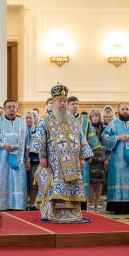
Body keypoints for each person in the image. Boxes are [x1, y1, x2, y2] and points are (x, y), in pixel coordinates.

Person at [31, 84, 93, 222]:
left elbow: (81, 138)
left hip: (74, 163)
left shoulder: (73, 120)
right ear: (53, 103)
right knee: (54, 187)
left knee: (73, 186)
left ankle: (72, 213)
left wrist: (82, 156)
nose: (63, 103)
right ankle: (53, 213)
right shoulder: (46, 120)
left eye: (65, 101)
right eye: (60, 101)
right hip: (54, 162)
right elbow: (40, 138)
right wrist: (42, 156)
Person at [0, 99, 30, 211]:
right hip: (2, 157)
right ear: (4, 109)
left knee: (18, 180)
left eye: (14, 107)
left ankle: (18, 205)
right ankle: (1, 205)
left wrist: (28, 159)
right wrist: (2, 145)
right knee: (2, 178)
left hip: (19, 158)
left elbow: (27, 142)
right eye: (9, 107)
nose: (12, 109)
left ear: (17, 108)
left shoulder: (22, 122)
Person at [67, 96, 101, 210]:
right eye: (72, 104)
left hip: (81, 157)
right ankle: (69, 205)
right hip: (66, 157)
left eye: (77, 103)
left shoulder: (85, 120)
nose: (75, 106)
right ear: (67, 105)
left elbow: (91, 137)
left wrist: (89, 154)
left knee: (83, 182)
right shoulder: (63, 119)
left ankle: (83, 207)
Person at [102, 102, 129, 214]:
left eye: (126, 109)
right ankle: (117, 207)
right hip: (117, 160)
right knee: (117, 181)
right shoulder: (113, 124)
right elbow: (105, 137)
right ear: (118, 111)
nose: (125, 111)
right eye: (122, 109)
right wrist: (118, 137)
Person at [88, 109, 107, 210]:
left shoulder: (103, 128)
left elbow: (106, 144)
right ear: (90, 118)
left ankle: (98, 202)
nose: (95, 117)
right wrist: (87, 156)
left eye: (97, 116)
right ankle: (91, 202)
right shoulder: (87, 128)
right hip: (90, 156)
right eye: (93, 116)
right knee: (91, 181)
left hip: (101, 156)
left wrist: (106, 158)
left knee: (99, 181)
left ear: (99, 117)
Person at [24, 111, 39, 210]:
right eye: (27, 118)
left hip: (35, 161)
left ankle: (33, 204)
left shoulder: (38, 131)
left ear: (34, 120)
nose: (29, 120)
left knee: (33, 183)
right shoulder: (21, 131)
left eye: (31, 118)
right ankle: (25, 203)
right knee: (24, 182)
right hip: (23, 161)